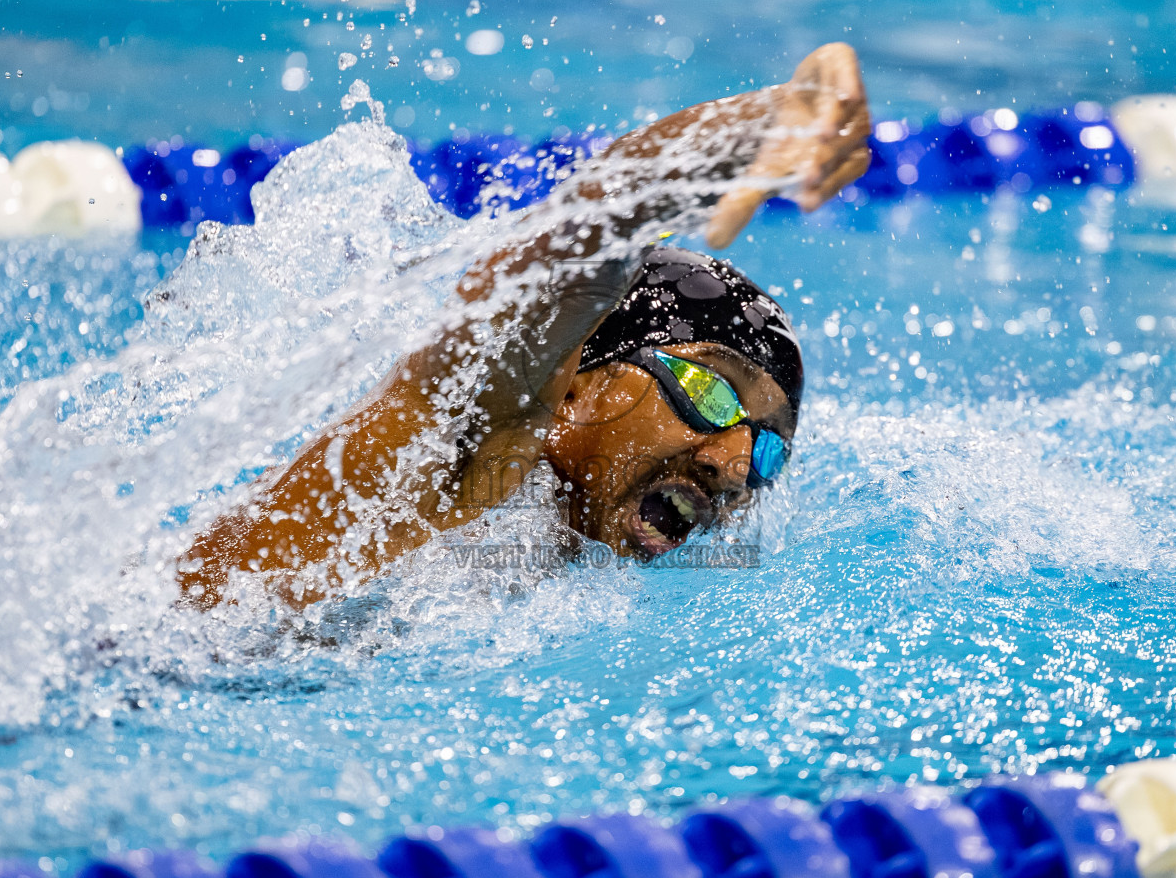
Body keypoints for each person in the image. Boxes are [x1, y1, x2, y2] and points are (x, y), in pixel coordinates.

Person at [176, 42, 871, 608]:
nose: (733, 465)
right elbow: (583, 236)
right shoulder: (467, 457)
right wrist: (769, 118)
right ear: (573, 383)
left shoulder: (534, 563)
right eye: (712, 393)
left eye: (768, 449)